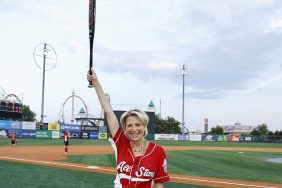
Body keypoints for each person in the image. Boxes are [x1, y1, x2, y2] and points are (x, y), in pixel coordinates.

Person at [87, 69, 170, 188]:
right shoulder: (121, 144)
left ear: (144, 126)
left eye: (138, 124)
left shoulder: (158, 151)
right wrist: (96, 82)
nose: (134, 129)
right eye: (129, 125)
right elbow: (108, 112)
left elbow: (158, 183)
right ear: (125, 128)